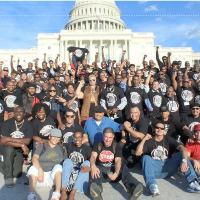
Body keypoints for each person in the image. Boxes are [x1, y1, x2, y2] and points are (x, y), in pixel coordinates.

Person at [135, 122, 200, 196]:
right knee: (145, 158)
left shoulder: (168, 139)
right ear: (154, 129)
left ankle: (193, 183)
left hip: (167, 168)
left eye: (161, 128)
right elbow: (137, 153)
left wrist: (184, 161)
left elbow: (183, 148)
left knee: (181, 155)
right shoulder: (149, 141)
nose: (159, 129)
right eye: (157, 128)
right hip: (155, 170)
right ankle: (152, 185)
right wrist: (144, 139)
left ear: (164, 130)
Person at [89, 128, 143, 200]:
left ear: (113, 137)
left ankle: (133, 187)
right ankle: (97, 190)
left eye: (110, 137)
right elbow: (93, 156)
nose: (107, 139)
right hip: (101, 172)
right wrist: (93, 166)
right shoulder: (98, 144)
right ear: (103, 136)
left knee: (123, 166)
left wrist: (116, 173)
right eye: (106, 137)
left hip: (114, 172)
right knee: (94, 171)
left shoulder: (117, 146)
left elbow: (118, 160)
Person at [0, 106, 33, 187]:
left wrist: (8, 139)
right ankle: (8, 179)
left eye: (20, 112)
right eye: (16, 112)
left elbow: (27, 141)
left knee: (17, 174)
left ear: (24, 114)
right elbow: (3, 141)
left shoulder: (28, 125)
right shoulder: (7, 123)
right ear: (13, 113)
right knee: (9, 150)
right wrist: (21, 144)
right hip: (6, 148)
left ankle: (2, 165)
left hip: (18, 151)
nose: (18, 113)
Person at [27, 128, 63, 200]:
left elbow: (64, 162)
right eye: (54, 136)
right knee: (32, 168)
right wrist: (40, 169)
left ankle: (56, 194)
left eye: (58, 137)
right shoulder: (42, 146)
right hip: (39, 177)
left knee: (59, 167)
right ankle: (31, 195)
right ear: (49, 137)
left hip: (52, 179)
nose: (56, 139)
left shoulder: (61, 148)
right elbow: (34, 158)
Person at [61, 131, 91, 200]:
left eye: (79, 137)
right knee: (67, 161)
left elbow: (91, 162)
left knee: (87, 163)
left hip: (81, 173)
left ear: (82, 138)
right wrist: (44, 141)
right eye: (75, 137)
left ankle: (73, 192)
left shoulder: (87, 148)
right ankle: (63, 190)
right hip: (70, 172)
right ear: (73, 138)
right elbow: (58, 142)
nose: (77, 139)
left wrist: (90, 168)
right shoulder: (69, 145)